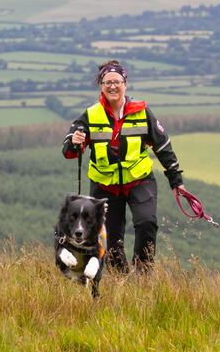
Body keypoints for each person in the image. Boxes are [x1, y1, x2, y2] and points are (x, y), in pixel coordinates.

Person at [62, 60, 184, 274]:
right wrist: (75, 141)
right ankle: (122, 282)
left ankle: (143, 276)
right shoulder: (90, 116)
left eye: (117, 81)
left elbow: (163, 145)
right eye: (107, 82)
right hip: (105, 186)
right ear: (101, 85)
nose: (112, 86)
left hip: (139, 181)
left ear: (125, 84)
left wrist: (176, 180)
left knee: (147, 223)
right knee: (111, 240)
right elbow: (69, 151)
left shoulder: (142, 112)